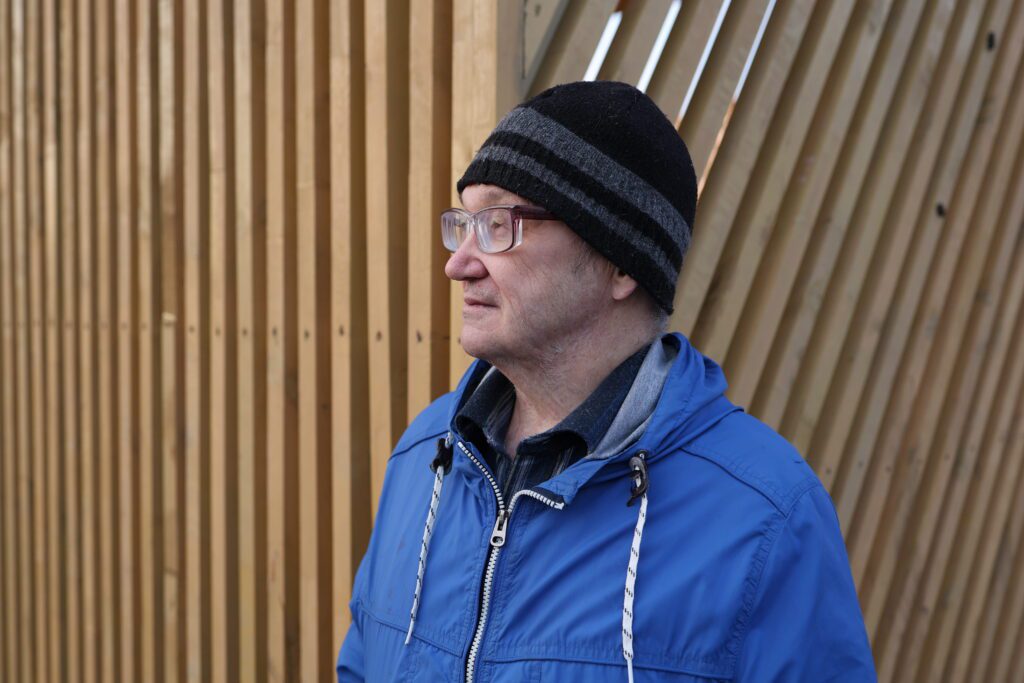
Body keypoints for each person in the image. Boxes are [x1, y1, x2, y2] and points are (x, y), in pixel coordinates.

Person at [337, 80, 876, 682]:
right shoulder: (427, 456)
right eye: (464, 224)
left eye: (498, 225)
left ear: (621, 263)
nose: (458, 263)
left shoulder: (766, 517)